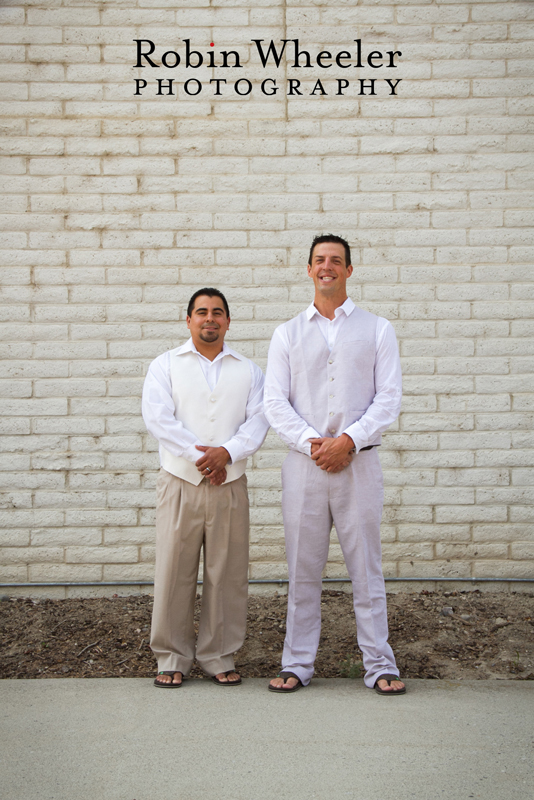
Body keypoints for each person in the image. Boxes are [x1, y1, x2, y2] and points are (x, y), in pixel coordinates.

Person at [264, 235, 406, 695]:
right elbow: (275, 402)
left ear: (349, 270)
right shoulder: (286, 333)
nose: (328, 267)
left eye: (337, 261)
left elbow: (389, 399)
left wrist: (348, 440)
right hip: (304, 468)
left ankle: (380, 665)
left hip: (359, 464)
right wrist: (315, 445)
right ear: (308, 269)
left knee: (367, 568)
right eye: (320, 261)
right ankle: (298, 662)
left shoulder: (377, 328)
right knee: (303, 570)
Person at [142, 288, 269, 688]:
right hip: (180, 483)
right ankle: (172, 657)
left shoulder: (249, 371)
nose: (209, 318)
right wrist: (202, 456)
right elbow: (159, 418)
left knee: (227, 574)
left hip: (229, 484)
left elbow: (259, 421)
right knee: (173, 570)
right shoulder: (165, 365)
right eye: (201, 312)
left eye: (217, 312)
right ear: (189, 320)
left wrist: (226, 453)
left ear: (228, 321)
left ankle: (219, 655)